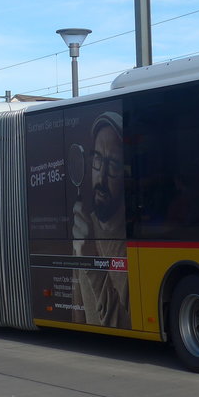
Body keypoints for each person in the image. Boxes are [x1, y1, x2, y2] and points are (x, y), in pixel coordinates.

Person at [71, 111, 130, 328]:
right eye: (97, 159)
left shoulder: (131, 240)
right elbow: (78, 312)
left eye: (113, 165)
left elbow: (126, 323)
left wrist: (89, 258)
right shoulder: (85, 228)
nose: (101, 176)